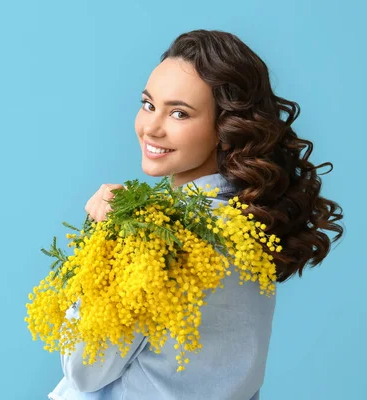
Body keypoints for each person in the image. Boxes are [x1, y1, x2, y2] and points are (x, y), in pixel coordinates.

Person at [47, 29, 344, 400]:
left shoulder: (158, 233)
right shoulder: (249, 227)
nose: (152, 127)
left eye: (179, 113)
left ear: (224, 129)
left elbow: (83, 370)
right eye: (148, 104)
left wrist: (99, 240)